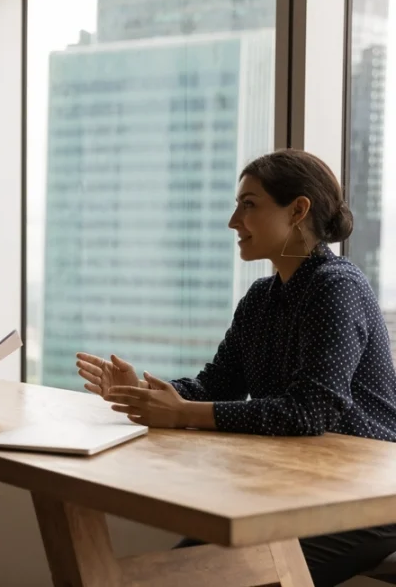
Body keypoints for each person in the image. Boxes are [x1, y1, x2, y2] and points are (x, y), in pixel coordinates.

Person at [75, 149, 396, 587]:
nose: (233, 221)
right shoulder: (261, 299)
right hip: (298, 492)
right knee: (190, 569)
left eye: (249, 204)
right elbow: (216, 384)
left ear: (298, 210)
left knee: (199, 575)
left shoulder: (337, 287)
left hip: (367, 502)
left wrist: (182, 413)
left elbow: (309, 412)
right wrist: (149, 393)